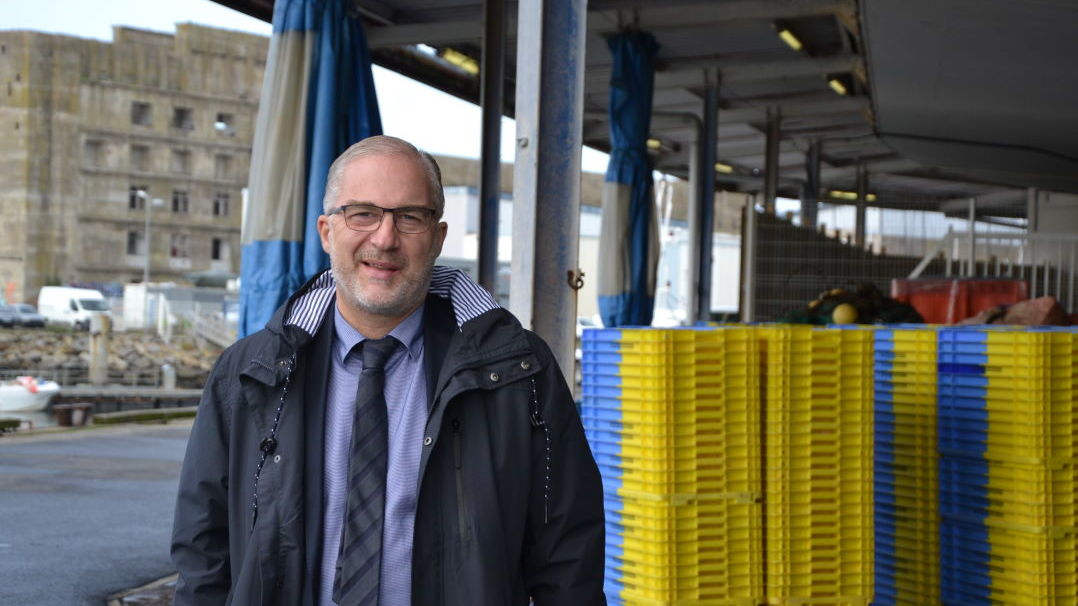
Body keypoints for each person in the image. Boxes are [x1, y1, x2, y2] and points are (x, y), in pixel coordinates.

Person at [171, 135, 606, 606]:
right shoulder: (249, 374)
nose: (385, 238)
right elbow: (204, 552)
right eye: (362, 213)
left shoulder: (520, 374)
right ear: (326, 232)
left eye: (410, 217)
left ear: (438, 238)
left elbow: (568, 558)